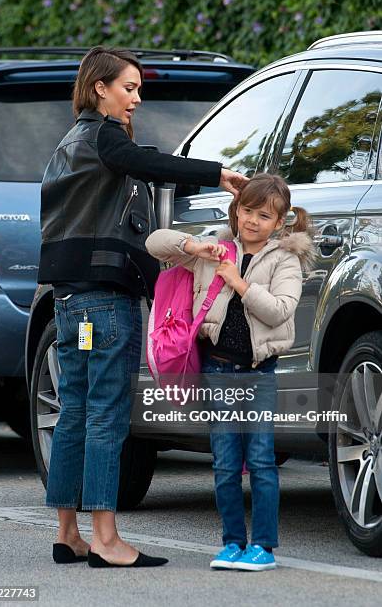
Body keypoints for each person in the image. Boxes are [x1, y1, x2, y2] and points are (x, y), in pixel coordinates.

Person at [37, 45, 247, 568]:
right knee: (107, 415)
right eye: (128, 88)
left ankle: (68, 533)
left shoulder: (66, 145)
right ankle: (106, 540)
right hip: (105, 303)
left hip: (69, 302)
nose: (136, 98)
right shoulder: (105, 139)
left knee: (76, 410)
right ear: (99, 89)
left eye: (137, 90)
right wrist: (216, 173)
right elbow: (147, 162)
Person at [145, 173, 315, 571]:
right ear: (236, 210)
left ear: (279, 222)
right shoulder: (216, 250)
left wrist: (238, 283)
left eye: (264, 215)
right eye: (247, 210)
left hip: (259, 373)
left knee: (260, 460)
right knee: (224, 462)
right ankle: (232, 542)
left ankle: (264, 547)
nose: (253, 220)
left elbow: (279, 310)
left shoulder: (285, 260)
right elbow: (155, 244)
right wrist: (192, 245)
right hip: (218, 371)